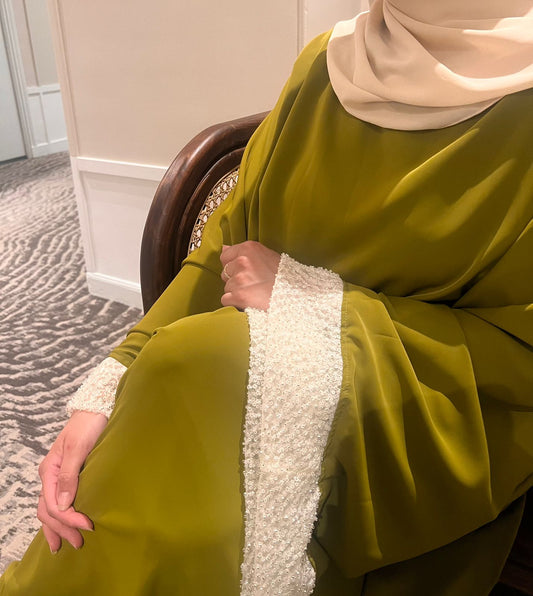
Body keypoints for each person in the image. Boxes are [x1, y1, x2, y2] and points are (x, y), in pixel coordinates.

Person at [2, 1, 533, 594]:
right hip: (215, 384)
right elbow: (226, 240)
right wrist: (107, 390)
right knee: (152, 410)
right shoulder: (328, 66)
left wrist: (309, 301)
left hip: (407, 426)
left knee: (197, 370)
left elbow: (516, 360)